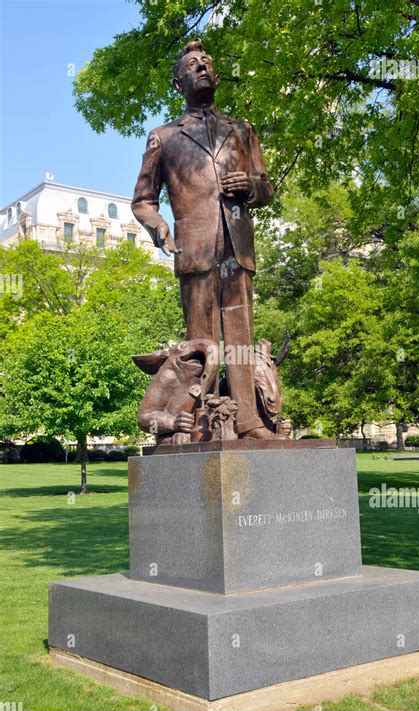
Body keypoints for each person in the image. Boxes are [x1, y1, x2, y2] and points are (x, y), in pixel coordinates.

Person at [132, 38, 285, 440]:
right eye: (193, 64)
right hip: (195, 247)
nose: (202, 67)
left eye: (207, 62)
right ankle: (202, 420)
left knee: (240, 336)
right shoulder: (164, 137)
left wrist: (252, 185)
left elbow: (267, 190)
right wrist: (159, 228)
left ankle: (249, 420)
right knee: (201, 342)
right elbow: (143, 200)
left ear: (216, 75)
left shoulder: (243, 130)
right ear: (178, 82)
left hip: (238, 244)